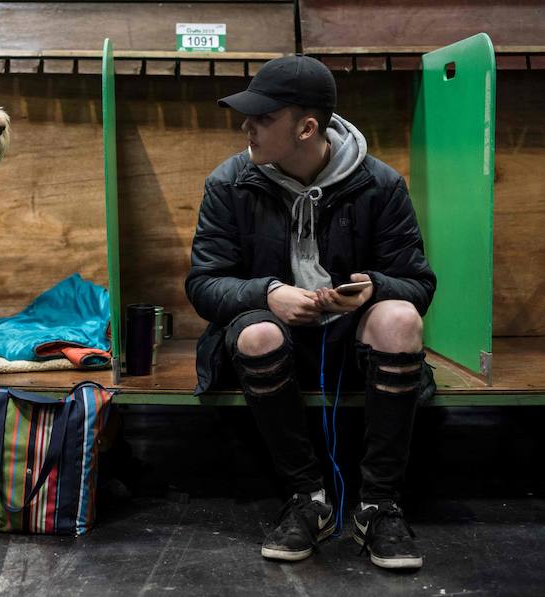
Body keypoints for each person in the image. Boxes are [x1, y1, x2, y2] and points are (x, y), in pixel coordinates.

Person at [185, 55, 436, 570]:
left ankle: (379, 505)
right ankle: (307, 499)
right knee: (256, 335)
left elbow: (417, 283)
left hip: (349, 346)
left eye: (263, 118)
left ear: (307, 128)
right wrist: (268, 292)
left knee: (401, 319)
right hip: (272, 344)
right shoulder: (229, 182)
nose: (246, 127)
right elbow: (204, 284)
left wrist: (371, 289)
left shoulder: (380, 185)